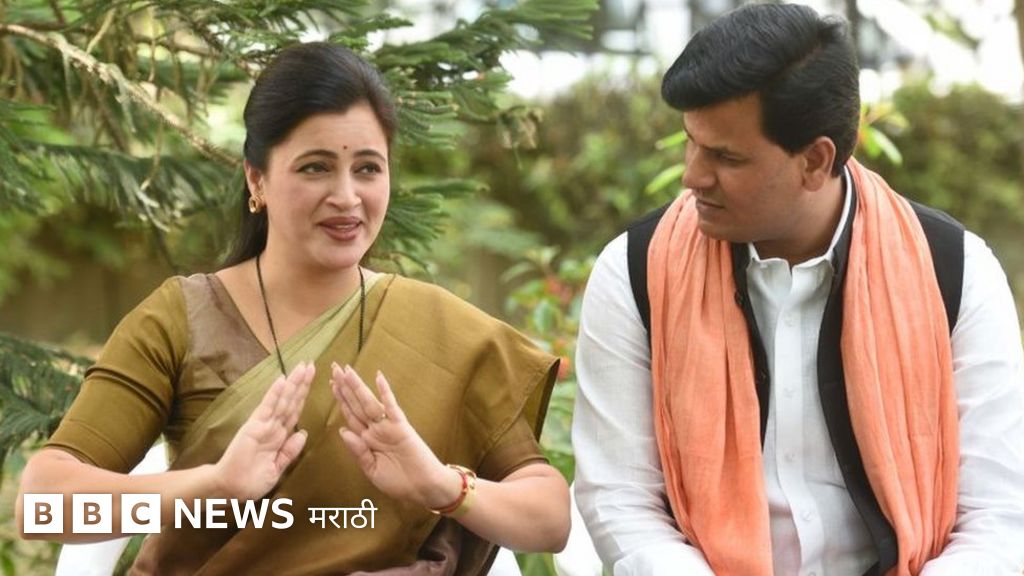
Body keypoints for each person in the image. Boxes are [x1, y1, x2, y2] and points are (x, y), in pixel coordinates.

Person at [17, 42, 569, 574]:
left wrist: (443, 487)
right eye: (315, 167)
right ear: (256, 178)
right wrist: (214, 487)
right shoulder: (180, 320)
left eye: (368, 168)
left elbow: (551, 522)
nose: (347, 197)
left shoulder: (440, 329)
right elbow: (43, 509)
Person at [572, 4, 1024, 576]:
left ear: (815, 160)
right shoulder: (635, 271)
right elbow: (619, 497)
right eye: (691, 142)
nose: (692, 176)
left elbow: (1000, 513)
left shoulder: (954, 270)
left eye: (725, 157)